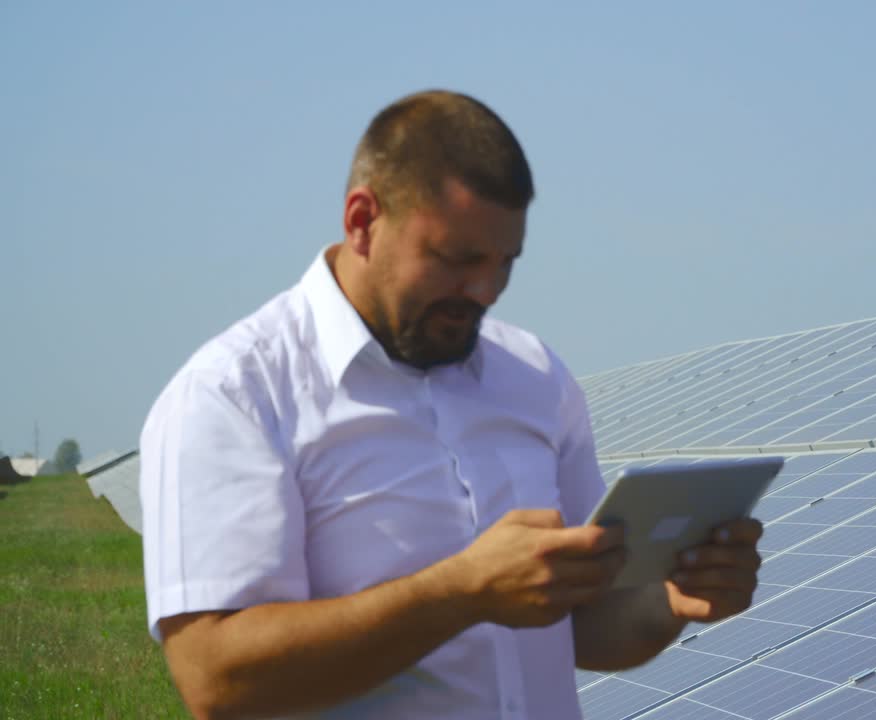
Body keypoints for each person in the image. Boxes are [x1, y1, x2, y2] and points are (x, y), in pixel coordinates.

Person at [139, 89, 764, 720]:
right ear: (362, 222)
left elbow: (586, 625)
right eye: (458, 260)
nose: (485, 291)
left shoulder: (537, 379)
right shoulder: (235, 395)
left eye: (505, 263)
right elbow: (216, 679)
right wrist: (462, 593)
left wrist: (671, 600)